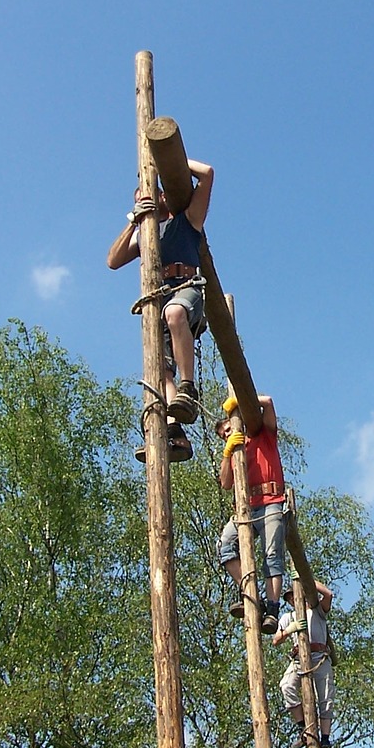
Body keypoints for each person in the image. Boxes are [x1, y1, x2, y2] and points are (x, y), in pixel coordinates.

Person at [107, 158, 213, 462]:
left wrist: (160, 160)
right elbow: (113, 260)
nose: (151, 198)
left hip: (186, 289)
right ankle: (174, 430)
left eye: (154, 192)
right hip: (158, 299)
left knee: (176, 314)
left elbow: (207, 175)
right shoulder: (145, 234)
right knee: (160, 367)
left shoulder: (187, 219)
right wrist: (133, 221)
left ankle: (187, 388)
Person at [215, 394, 286, 634]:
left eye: (229, 429)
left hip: (270, 502)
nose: (227, 434)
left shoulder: (262, 436)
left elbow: (267, 402)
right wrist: (228, 452)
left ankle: (273, 609)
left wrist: (240, 401)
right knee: (225, 545)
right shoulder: (234, 455)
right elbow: (225, 484)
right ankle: (249, 590)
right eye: (223, 434)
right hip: (246, 508)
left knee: (272, 554)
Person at [272, 579, 335, 748]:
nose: (294, 600)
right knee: (286, 686)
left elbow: (328, 594)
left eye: (296, 595)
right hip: (299, 658)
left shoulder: (318, 611)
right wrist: (290, 629)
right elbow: (276, 640)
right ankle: (302, 727)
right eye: (291, 597)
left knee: (326, 699)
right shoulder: (288, 617)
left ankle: (325, 740)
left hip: (319, 658)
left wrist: (307, 579)